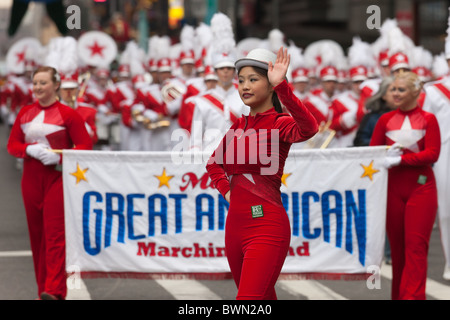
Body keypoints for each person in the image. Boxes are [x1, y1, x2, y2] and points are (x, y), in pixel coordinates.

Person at [206, 48, 318, 300]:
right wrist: (227, 192)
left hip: (267, 226)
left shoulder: (280, 123)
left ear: (271, 86)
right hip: (234, 227)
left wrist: (284, 89)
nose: (244, 86)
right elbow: (213, 164)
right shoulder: (238, 125)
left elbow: (309, 128)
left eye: (253, 79)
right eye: (241, 80)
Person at [7, 66, 93, 300]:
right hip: (31, 179)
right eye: (35, 83)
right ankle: (41, 292)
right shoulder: (25, 112)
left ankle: (55, 290)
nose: (37, 88)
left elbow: (85, 145)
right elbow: (12, 145)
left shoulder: (68, 114)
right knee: (37, 238)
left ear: (56, 85)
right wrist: (29, 149)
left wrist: (61, 155)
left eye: (43, 83)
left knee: (55, 236)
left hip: (57, 177)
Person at [370, 71, 440, 300]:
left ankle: (413, 297)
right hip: (392, 190)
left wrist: (401, 159)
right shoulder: (385, 120)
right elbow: (373, 153)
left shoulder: (428, 119)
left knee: (416, 248)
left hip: (421, 188)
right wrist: (383, 157)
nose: (395, 93)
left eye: (401, 89)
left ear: (415, 92)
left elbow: (432, 154)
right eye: (393, 89)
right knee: (398, 252)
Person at [354, 76, 395, 146]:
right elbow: (360, 141)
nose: (396, 94)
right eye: (392, 90)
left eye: (400, 90)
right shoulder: (371, 118)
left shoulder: (407, 114)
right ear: (383, 95)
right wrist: (383, 142)